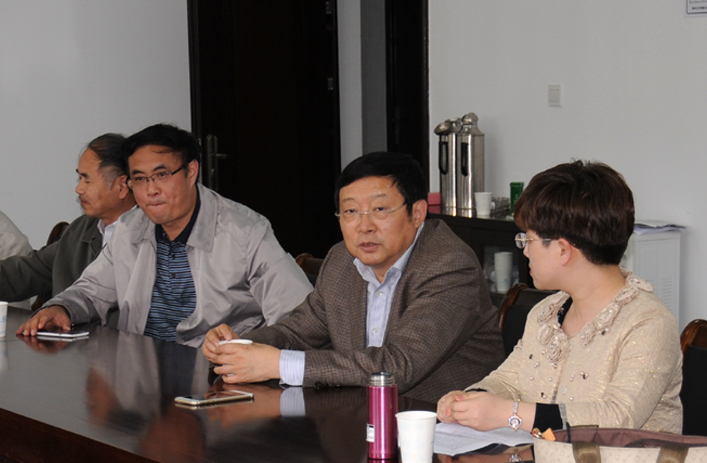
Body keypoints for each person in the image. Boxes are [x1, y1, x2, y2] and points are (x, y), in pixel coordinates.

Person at [202, 151, 504, 403]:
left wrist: (277, 364)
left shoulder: (449, 265)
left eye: (380, 209)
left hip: (441, 428)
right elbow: (297, 332)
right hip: (356, 417)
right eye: (350, 212)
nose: (364, 226)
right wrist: (238, 346)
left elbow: (397, 367)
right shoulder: (342, 261)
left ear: (417, 213)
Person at [437, 160, 682, 434]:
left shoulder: (649, 323)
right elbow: (509, 381)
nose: (524, 251)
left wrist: (508, 413)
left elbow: (617, 417)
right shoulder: (546, 314)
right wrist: (470, 399)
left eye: (528, 240)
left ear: (563, 250)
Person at [17, 124, 313, 347]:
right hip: (142, 377)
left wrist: (246, 347)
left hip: (217, 378)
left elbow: (300, 316)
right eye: (140, 179)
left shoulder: (245, 232)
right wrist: (62, 307)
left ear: (191, 171)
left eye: (161, 175)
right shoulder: (130, 227)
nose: (151, 190)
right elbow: (91, 291)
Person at [0, 134, 135, 311]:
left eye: (87, 180)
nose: (78, 189)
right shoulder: (81, 229)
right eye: (79, 179)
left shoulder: (147, 237)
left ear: (122, 185)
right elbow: (32, 270)